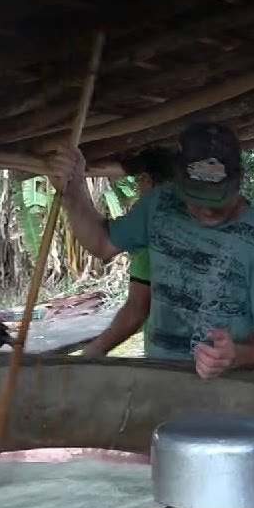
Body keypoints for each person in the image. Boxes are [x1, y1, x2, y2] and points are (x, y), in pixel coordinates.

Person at [49, 122, 254, 379]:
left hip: (230, 385)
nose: (208, 210)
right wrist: (73, 192)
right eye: (197, 198)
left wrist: (235, 356)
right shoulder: (159, 205)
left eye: (218, 199)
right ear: (178, 180)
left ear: (240, 179)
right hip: (161, 377)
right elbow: (101, 243)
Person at [80, 147, 177, 359]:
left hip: (172, 358)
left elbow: (137, 309)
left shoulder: (153, 234)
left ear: (147, 181)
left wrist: (96, 349)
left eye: (138, 183)